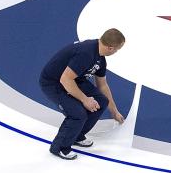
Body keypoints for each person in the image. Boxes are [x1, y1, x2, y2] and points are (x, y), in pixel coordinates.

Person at [38, 29, 127, 160]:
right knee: (78, 114)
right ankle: (60, 147)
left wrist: (114, 111)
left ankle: (76, 136)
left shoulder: (100, 58)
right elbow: (65, 79)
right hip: (54, 82)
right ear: (110, 48)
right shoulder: (86, 53)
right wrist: (85, 99)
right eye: (117, 49)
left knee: (101, 101)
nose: (116, 52)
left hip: (74, 79)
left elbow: (102, 85)